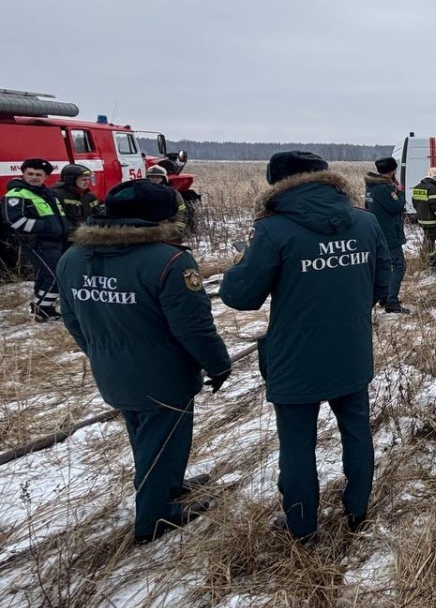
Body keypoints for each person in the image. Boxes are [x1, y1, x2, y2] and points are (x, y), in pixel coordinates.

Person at [219, 151, 390, 542]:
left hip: (295, 358)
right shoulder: (364, 221)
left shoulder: (272, 230)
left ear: (278, 184)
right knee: (357, 432)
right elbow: (384, 279)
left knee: (297, 444)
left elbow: (241, 296)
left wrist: (238, 266)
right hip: (351, 349)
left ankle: (301, 527)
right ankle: (357, 511)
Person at [56, 179, 232, 543]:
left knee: (146, 435)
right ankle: (156, 517)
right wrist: (218, 364)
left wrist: (101, 353)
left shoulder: (73, 257)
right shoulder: (169, 259)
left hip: (111, 369)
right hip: (163, 374)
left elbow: (71, 318)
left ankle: (166, 485)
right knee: (163, 437)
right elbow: (194, 327)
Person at [5, 158, 68, 321]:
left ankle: (43, 309)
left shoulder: (48, 194)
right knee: (56, 275)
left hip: (55, 241)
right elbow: (15, 220)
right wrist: (45, 226)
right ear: (23, 174)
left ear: (45, 176)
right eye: (30, 174)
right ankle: (42, 309)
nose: (34, 177)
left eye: (38, 174)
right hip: (36, 242)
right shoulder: (16, 194)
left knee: (44, 276)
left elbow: (60, 217)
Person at [364, 156, 410, 313]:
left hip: (377, 232)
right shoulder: (385, 189)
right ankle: (392, 301)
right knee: (399, 266)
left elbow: (366, 208)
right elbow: (395, 207)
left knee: (384, 265)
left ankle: (384, 296)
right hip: (389, 234)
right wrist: (401, 193)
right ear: (392, 171)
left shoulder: (371, 187)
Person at [51, 164, 101, 241]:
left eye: (88, 179)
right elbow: (58, 221)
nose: (87, 182)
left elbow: (99, 216)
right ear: (71, 180)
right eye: (84, 180)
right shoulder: (57, 195)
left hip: (89, 237)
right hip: (68, 239)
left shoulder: (90, 197)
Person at [146, 164, 188, 239]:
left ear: (164, 179)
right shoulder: (141, 192)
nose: (154, 179)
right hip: (146, 229)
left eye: (158, 177)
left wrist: (177, 230)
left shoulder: (172, 193)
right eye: (152, 177)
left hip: (165, 229)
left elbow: (181, 212)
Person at [411, 167, 436, 254]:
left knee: (427, 237)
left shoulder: (417, 187)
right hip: (431, 220)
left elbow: (415, 204)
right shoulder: (432, 188)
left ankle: (425, 255)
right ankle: (428, 256)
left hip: (421, 218)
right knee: (431, 238)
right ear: (435, 177)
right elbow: (434, 206)